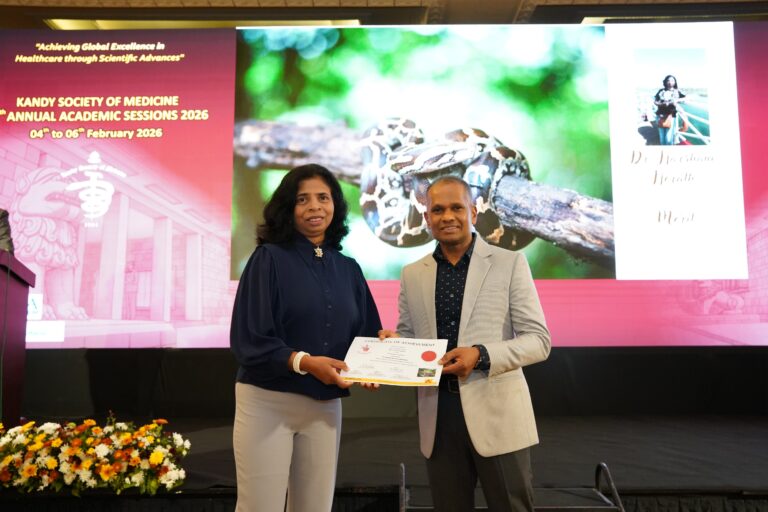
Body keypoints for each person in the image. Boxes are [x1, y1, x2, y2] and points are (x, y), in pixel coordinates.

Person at [381, 176, 551, 512]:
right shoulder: (413, 273)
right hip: (438, 416)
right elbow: (410, 338)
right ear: (426, 217)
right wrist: (393, 347)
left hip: (499, 415)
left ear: (473, 211)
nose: (447, 216)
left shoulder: (510, 262)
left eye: (457, 207)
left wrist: (481, 355)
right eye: (438, 210)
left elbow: (539, 341)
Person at [230, 164, 382, 512]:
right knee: (260, 507)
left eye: (323, 198)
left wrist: (379, 352)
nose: (315, 206)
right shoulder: (267, 259)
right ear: (288, 207)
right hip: (267, 401)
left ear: (335, 205)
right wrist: (306, 362)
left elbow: (366, 335)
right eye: (303, 199)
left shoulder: (348, 269)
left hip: (325, 405)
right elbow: (249, 339)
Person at [654, 75, 687, 145]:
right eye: (668, 80)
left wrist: (676, 100)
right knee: (662, 136)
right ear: (665, 82)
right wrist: (661, 104)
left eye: (672, 80)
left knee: (669, 138)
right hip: (660, 116)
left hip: (671, 116)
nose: (670, 82)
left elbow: (686, 98)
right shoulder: (661, 91)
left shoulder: (677, 91)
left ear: (675, 82)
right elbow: (655, 101)